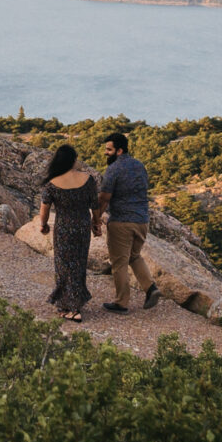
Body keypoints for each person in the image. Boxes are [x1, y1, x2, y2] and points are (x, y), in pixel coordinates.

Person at [95, 128, 159, 314]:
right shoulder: (139, 165)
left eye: (109, 149)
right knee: (134, 256)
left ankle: (121, 302)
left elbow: (104, 198)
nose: (106, 153)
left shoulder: (113, 169)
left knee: (119, 262)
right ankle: (151, 288)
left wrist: (96, 219)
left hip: (122, 222)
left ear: (119, 151)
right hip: (142, 221)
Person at [37, 143, 97, 321]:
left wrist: (43, 224)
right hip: (82, 227)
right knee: (79, 264)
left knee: (63, 266)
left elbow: (44, 208)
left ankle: (70, 308)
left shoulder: (52, 184)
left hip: (64, 228)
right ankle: (74, 303)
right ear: (73, 160)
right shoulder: (88, 179)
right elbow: (95, 205)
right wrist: (97, 224)